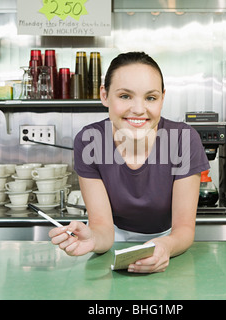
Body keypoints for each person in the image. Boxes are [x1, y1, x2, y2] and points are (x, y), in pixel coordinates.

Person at [49, 52, 209, 273]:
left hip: (170, 243)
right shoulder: (89, 141)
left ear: (162, 98)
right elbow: (102, 227)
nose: (138, 109)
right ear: (104, 95)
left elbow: (183, 229)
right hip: (113, 241)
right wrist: (93, 240)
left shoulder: (184, 139)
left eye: (150, 98)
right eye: (125, 96)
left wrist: (164, 246)